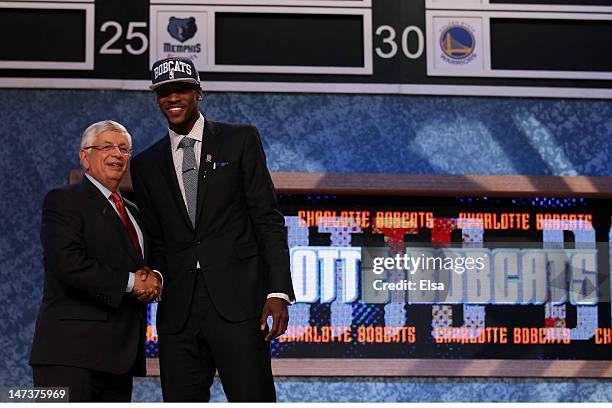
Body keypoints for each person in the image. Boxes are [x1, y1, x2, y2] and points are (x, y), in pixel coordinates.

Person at [130, 56, 295, 402]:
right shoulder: (144, 164)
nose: (172, 98)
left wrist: (278, 291)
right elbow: (157, 239)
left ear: (199, 93)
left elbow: (267, 218)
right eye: (164, 92)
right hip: (178, 312)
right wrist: (155, 274)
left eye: (182, 89)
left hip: (238, 305)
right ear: (156, 99)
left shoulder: (240, 140)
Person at [29, 120, 162, 402]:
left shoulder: (135, 212)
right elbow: (67, 263)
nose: (117, 153)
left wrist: (155, 280)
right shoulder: (63, 200)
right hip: (69, 355)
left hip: (119, 359)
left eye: (124, 148)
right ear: (85, 157)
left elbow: (144, 268)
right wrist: (131, 283)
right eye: (107, 147)